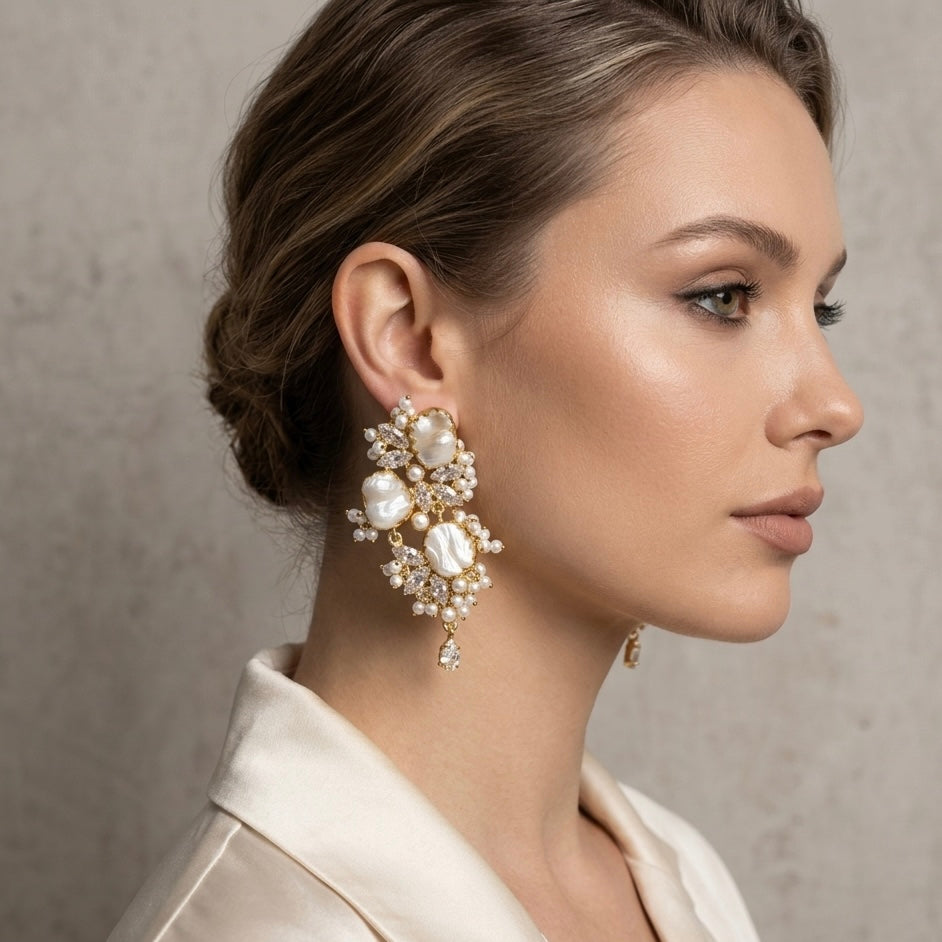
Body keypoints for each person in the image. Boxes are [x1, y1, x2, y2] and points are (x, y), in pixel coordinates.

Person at [108, 0, 863, 939]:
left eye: (820, 308)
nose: (835, 406)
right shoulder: (257, 925)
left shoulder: (684, 879)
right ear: (410, 339)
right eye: (723, 296)